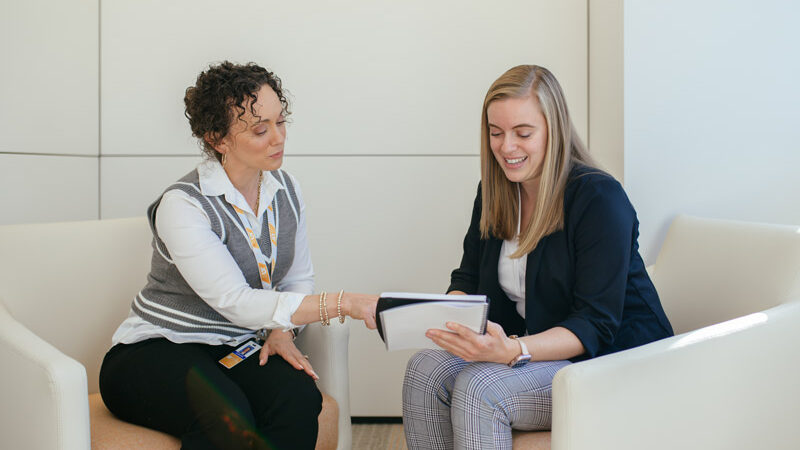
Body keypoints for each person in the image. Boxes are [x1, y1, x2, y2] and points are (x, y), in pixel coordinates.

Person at [99, 61, 378, 450]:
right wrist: (343, 303)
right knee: (226, 415)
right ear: (218, 139)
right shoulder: (184, 204)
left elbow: (297, 277)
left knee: (298, 398)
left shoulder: (286, 190)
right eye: (261, 130)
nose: (278, 138)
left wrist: (282, 331)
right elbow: (235, 301)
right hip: (156, 350)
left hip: (235, 347)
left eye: (281, 122)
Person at [402, 65, 674, 449]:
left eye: (523, 133)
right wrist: (448, 320)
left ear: (553, 130)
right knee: (424, 370)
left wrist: (513, 350)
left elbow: (595, 324)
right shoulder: (496, 191)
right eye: (496, 133)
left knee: (481, 388)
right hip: (542, 352)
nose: (506, 147)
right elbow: (468, 278)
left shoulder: (598, 199)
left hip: (615, 361)